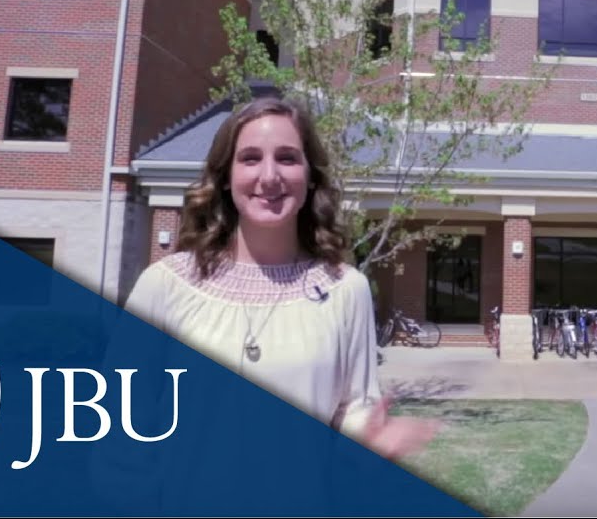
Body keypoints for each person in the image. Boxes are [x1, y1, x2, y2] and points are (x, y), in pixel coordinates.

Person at [121, 93, 438, 460]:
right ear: (226, 177)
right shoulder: (165, 285)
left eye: (287, 158)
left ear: (310, 178)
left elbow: (353, 411)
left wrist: (371, 444)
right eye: (250, 158)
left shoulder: (345, 289)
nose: (269, 176)